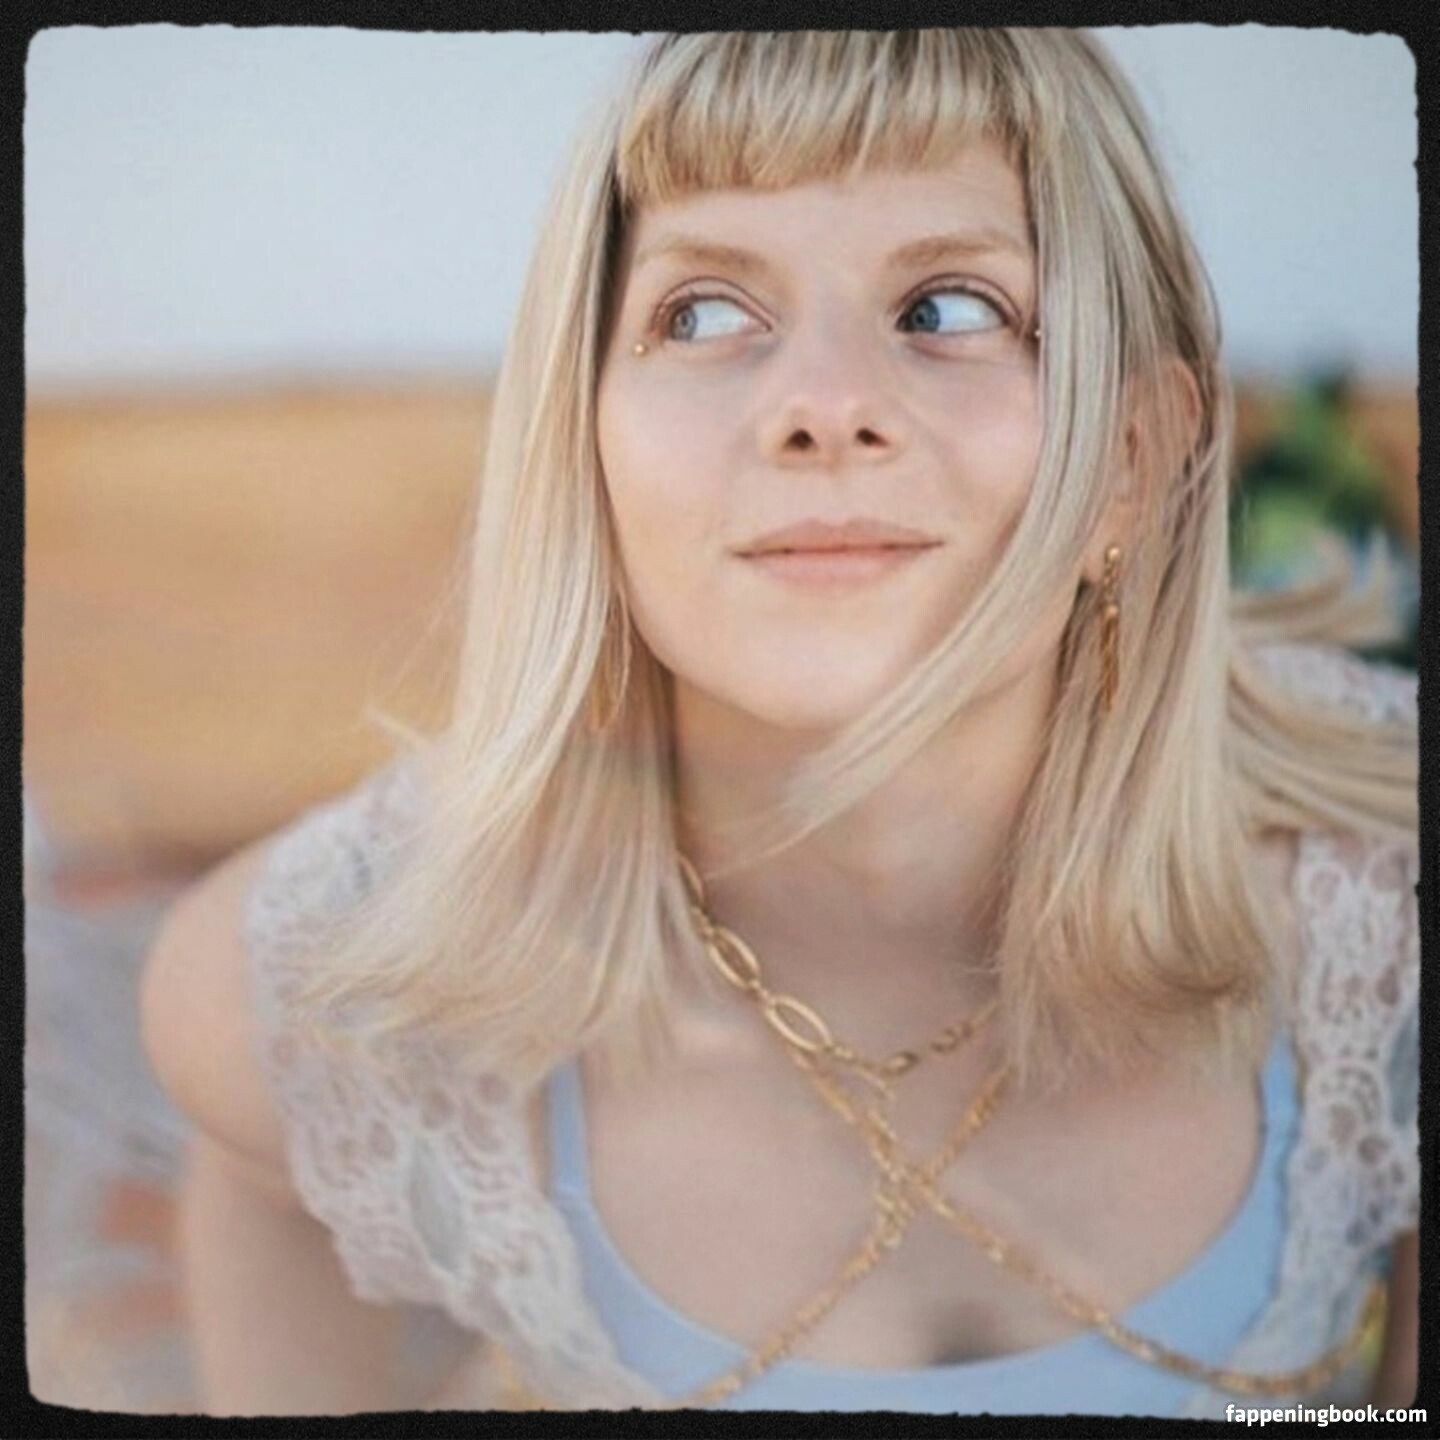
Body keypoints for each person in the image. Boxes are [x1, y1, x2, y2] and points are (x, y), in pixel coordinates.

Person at [140, 29, 1419, 1416]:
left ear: (1132, 458)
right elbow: (267, 1179)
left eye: (949, 308)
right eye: (701, 313)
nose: (824, 407)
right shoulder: (321, 998)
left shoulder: (1384, 923)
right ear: (583, 439)